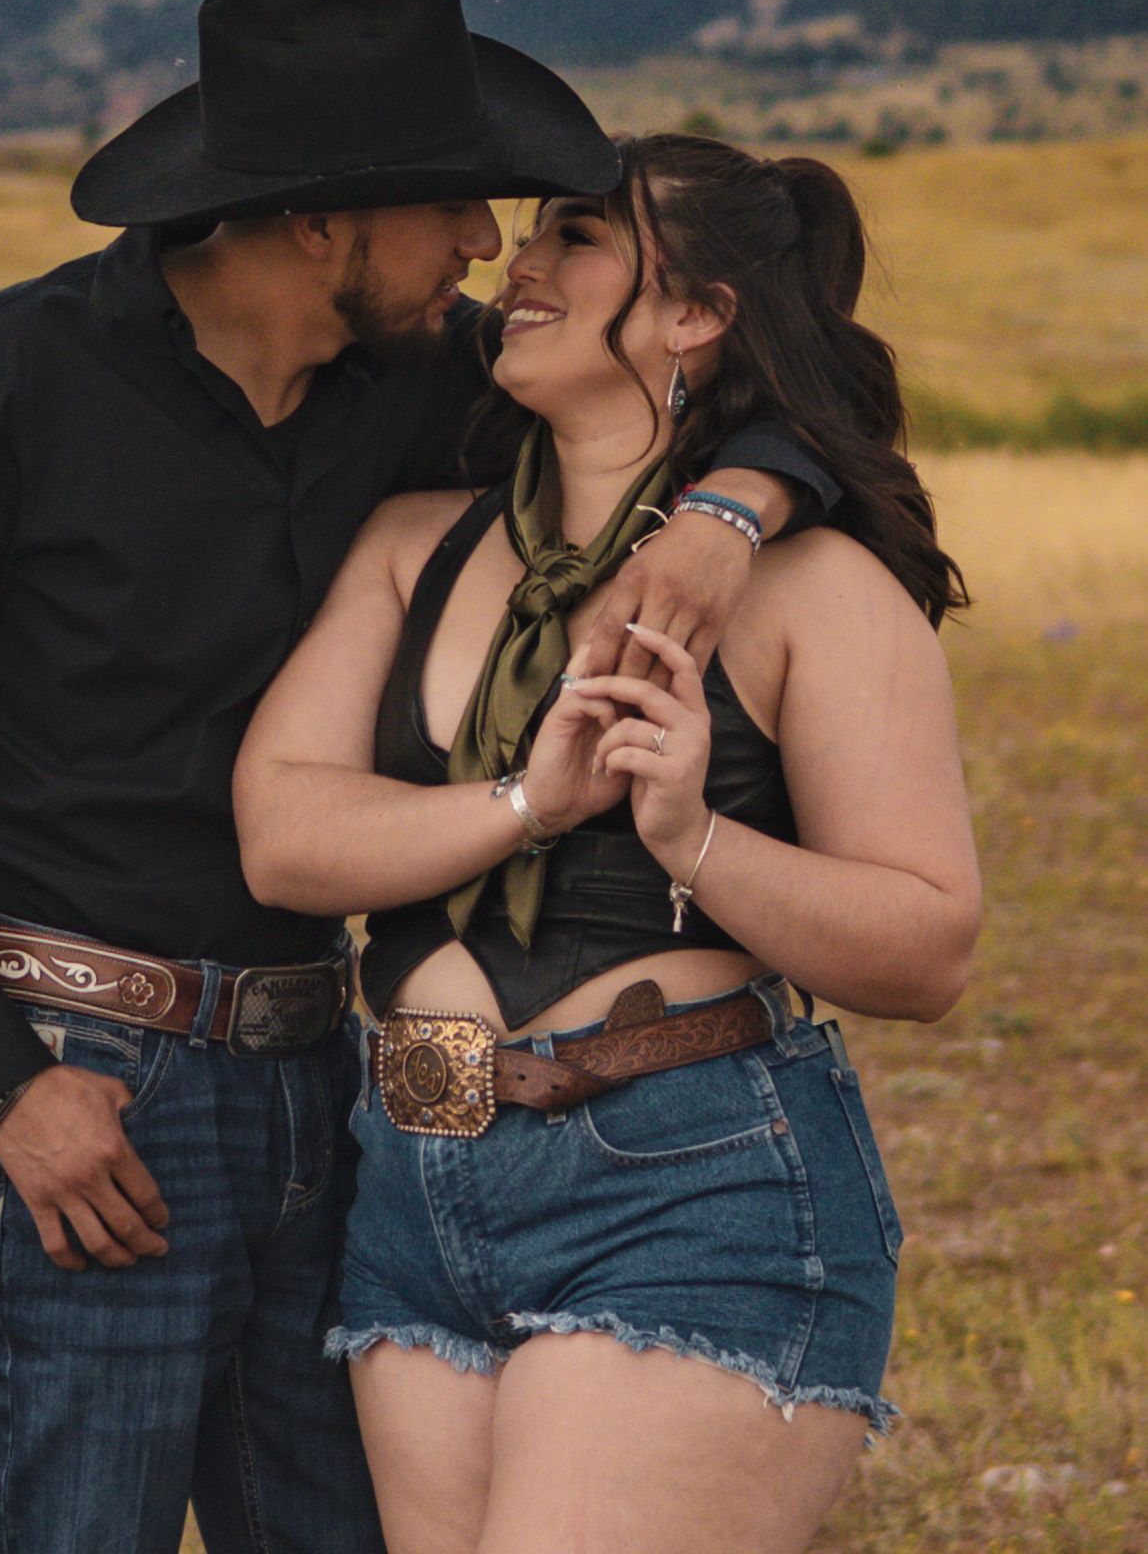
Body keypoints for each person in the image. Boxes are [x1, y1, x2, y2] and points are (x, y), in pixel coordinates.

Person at [0, 0, 833, 1554]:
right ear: (322, 222)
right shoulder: (11, 376)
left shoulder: (425, 383)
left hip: (331, 1091)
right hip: (88, 1080)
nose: (485, 250)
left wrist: (731, 511)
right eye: (453, 212)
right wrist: (3, 1090)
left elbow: (728, 388)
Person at [235, 133, 982, 1554]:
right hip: (415, 1164)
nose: (520, 263)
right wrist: (532, 805)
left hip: (688, 1185)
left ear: (696, 309)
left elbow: (929, 944)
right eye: (529, 232)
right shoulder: (415, 546)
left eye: (576, 237)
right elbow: (283, 834)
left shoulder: (816, 590)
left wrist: (691, 836)